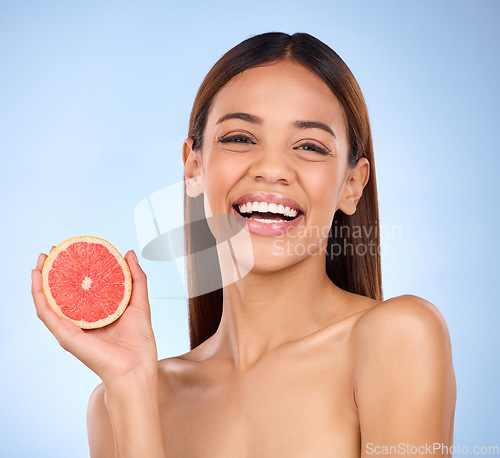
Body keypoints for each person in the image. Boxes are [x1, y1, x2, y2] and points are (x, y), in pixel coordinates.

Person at [32, 32, 456, 457]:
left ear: (352, 184)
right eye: (240, 138)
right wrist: (128, 386)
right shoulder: (117, 403)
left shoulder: (400, 338)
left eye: (309, 146)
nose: (271, 169)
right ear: (194, 166)